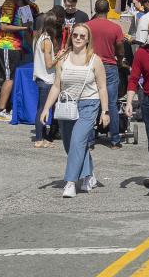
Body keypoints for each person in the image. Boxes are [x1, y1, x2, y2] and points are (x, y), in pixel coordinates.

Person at [40, 22, 110, 198]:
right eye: (75, 35)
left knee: (78, 141)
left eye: (82, 36)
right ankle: (88, 175)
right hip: (66, 106)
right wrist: (46, 108)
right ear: (71, 37)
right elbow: (57, 85)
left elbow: (102, 88)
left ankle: (70, 182)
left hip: (89, 104)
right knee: (70, 145)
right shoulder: (63, 58)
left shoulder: (95, 60)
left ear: (88, 40)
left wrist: (105, 111)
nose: (78, 38)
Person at [87, 0, 127, 148]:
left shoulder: (87, 26)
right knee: (111, 103)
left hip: (91, 65)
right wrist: (120, 59)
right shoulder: (115, 28)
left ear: (95, 10)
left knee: (92, 102)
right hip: (109, 66)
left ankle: (90, 140)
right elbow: (120, 48)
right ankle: (115, 140)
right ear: (108, 9)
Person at [0, 0, 33, 121]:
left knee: (13, 76)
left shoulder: (24, 6)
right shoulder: (9, 4)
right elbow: (3, 26)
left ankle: (9, 105)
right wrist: (23, 29)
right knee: (9, 77)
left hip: (17, 45)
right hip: (6, 44)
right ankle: (0, 110)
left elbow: (29, 25)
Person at [32, 14, 67, 148]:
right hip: (46, 79)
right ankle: (39, 139)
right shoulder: (46, 40)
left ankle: (43, 136)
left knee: (43, 108)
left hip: (43, 79)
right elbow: (48, 64)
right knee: (43, 109)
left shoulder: (40, 37)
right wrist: (60, 56)